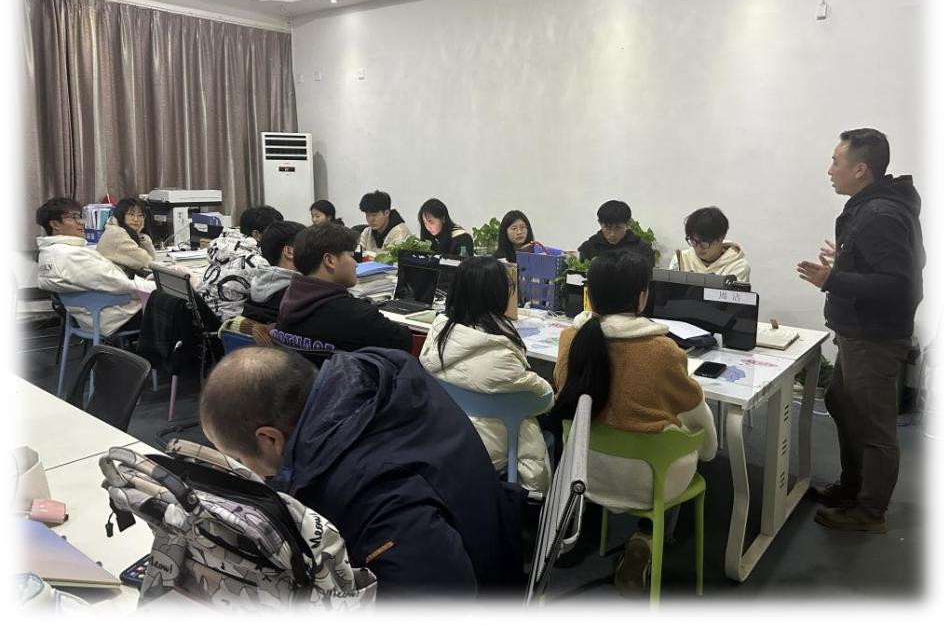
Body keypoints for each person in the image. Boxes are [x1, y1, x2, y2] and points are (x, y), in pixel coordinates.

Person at [199, 346, 525, 618]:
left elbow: (438, 603)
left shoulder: (366, 489)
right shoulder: (373, 375)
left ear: (270, 438)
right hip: (486, 532)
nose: (244, 468)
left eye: (239, 459)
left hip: (474, 592)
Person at [551, 250, 716, 600]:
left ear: (590, 293)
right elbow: (700, 423)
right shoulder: (662, 351)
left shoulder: (570, 339)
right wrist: (705, 449)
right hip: (646, 481)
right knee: (680, 441)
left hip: (583, 471)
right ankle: (647, 535)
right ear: (642, 296)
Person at [797, 128, 925, 534]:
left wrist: (833, 278)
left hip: (874, 339)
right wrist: (847, 262)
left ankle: (870, 511)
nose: (829, 170)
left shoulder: (880, 214)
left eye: (836, 161)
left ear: (861, 169)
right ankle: (852, 486)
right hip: (859, 333)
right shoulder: (875, 208)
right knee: (842, 404)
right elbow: (900, 264)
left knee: (873, 426)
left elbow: (900, 284)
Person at [420, 256, 554, 492]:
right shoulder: (500, 352)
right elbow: (544, 398)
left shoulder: (438, 333)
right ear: (497, 294)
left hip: (445, 434)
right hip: (490, 446)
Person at [275, 223, 412, 352]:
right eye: (352, 256)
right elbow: (404, 341)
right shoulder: (356, 314)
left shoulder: (285, 299)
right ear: (330, 260)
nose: (356, 264)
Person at [35, 197, 152, 335]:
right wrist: (154, 286)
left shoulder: (52, 251)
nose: (81, 222)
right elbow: (121, 284)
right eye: (73, 218)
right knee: (171, 304)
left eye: (80, 216)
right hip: (115, 317)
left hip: (95, 314)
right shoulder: (71, 255)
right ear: (55, 224)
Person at [197, 205, 284, 320]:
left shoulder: (223, 247)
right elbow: (271, 298)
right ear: (256, 235)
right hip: (230, 323)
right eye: (274, 231)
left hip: (208, 317)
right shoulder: (256, 262)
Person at [242, 221, 306, 324]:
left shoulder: (255, 286)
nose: (313, 252)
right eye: (308, 247)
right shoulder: (300, 295)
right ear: (289, 251)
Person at [668, 206, 750, 283]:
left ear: (722, 237)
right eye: (693, 241)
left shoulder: (738, 266)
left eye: (704, 242)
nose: (698, 248)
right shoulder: (681, 259)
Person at [578, 200, 654, 266]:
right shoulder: (589, 247)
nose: (612, 234)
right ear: (600, 223)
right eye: (607, 228)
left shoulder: (643, 249)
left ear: (628, 224)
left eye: (618, 228)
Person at [96, 197, 156, 274]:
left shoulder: (116, 229)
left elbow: (152, 262)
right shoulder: (117, 233)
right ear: (121, 215)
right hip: (112, 280)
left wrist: (139, 235)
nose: (136, 219)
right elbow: (146, 261)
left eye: (140, 215)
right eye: (131, 214)